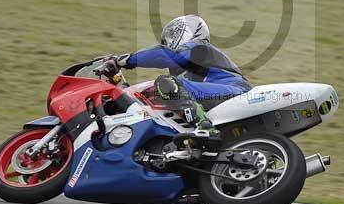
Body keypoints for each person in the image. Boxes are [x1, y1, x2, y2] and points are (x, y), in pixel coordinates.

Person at [95, 15, 251, 138]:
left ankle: (205, 127)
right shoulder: (189, 70)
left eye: (170, 36)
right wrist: (117, 80)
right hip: (222, 96)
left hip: (235, 91)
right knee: (157, 91)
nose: (167, 42)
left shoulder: (199, 46)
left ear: (186, 31)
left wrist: (125, 60)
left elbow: (166, 55)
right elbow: (142, 99)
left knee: (165, 82)